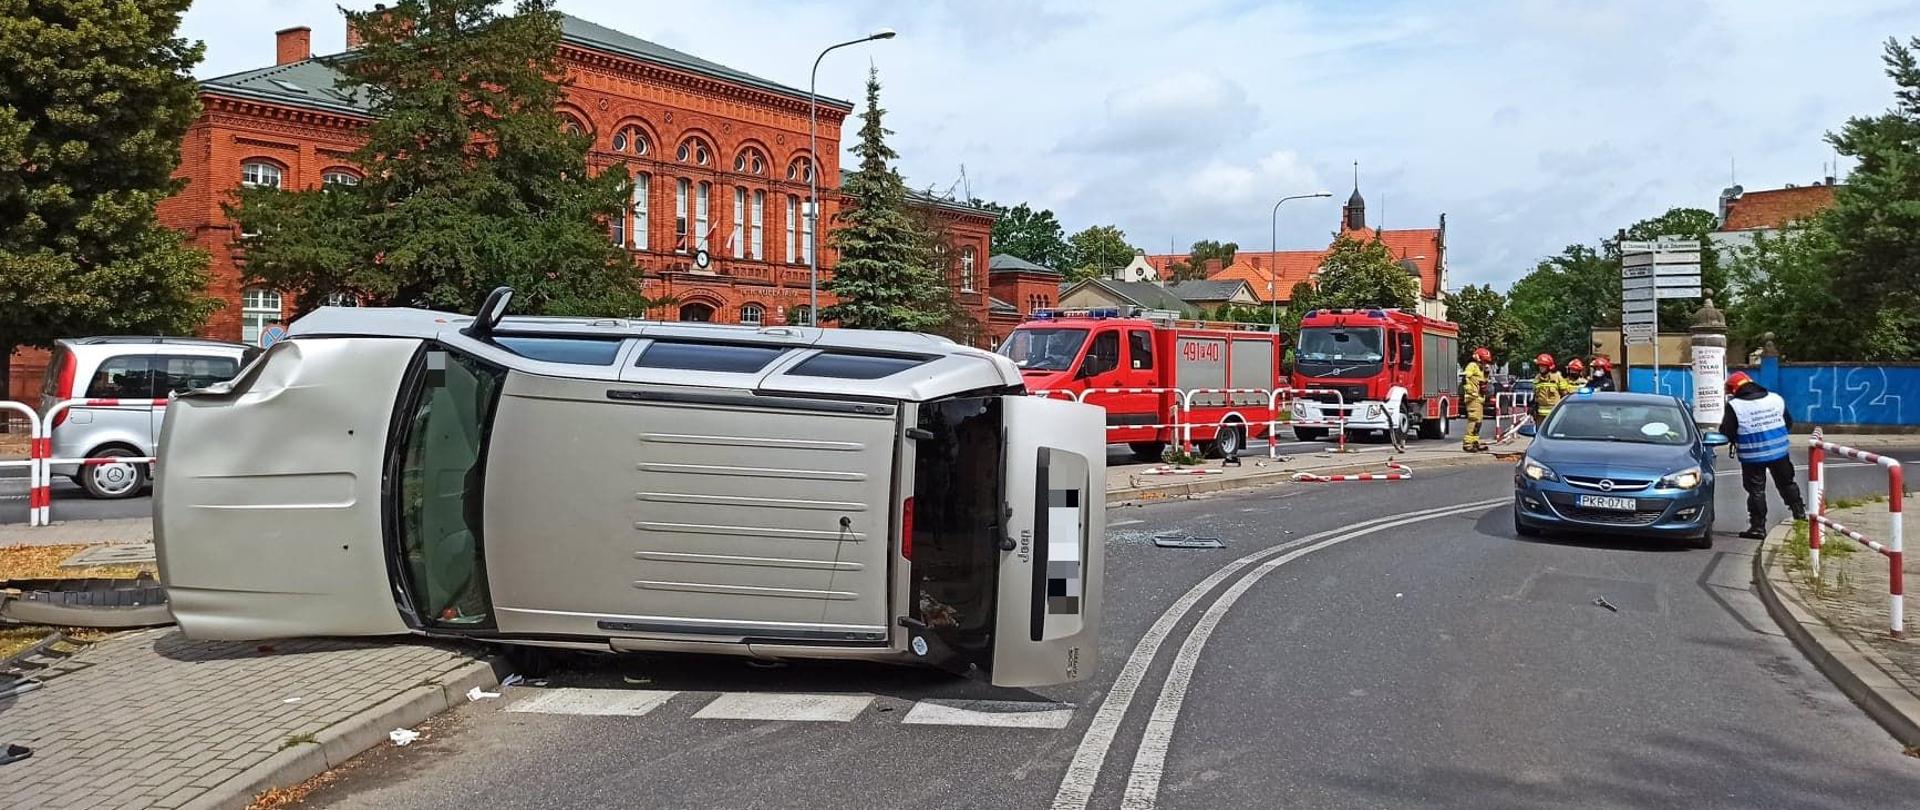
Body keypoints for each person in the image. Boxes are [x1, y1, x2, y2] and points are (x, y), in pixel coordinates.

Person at [1721, 371, 1806, 538]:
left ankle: (1758, 528)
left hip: (1753, 456)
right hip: (1779, 453)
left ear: (1733, 389)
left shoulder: (1735, 406)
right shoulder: (1775, 398)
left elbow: (1727, 431)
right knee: (1787, 483)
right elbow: (1788, 423)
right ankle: (1800, 514)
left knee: (1756, 491)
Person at [1529, 353, 1575, 425]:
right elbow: (1535, 395)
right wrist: (1532, 405)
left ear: (1549, 366)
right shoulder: (1537, 379)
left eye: (1543, 366)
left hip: (1555, 414)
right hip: (1540, 416)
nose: (1541, 368)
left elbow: (1565, 395)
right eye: (1540, 366)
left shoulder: (1557, 378)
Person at [1462, 347, 1492, 452]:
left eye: (1487, 362)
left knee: (1478, 421)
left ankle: (1475, 441)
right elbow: (1465, 378)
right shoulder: (1472, 366)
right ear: (1478, 358)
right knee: (1474, 419)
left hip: (1479, 398)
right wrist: (1470, 391)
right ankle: (1467, 443)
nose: (1485, 363)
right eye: (1484, 360)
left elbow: (1483, 382)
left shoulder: (1480, 369)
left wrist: (1487, 374)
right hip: (1473, 398)